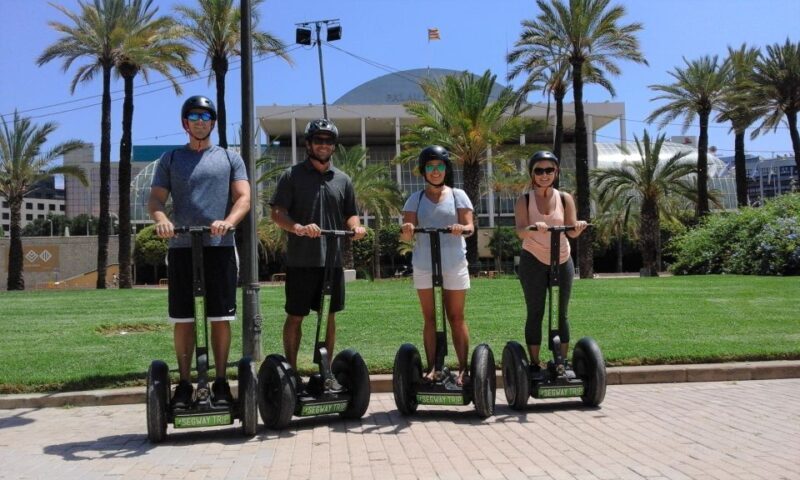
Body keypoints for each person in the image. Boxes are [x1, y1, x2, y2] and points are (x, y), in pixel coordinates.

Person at [148, 95, 250, 408]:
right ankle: (183, 383)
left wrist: (229, 221)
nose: (200, 122)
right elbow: (155, 201)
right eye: (194, 117)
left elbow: (243, 198)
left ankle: (220, 381)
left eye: (206, 117)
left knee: (220, 317)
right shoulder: (171, 159)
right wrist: (163, 220)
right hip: (181, 247)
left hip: (218, 247)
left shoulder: (230, 159)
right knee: (184, 319)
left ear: (213, 123)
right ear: (184, 123)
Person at [269, 118, 366, 387]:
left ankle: (325, 372)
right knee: (296, 315)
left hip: (332, 261)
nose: (323, 145)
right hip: (302, 260)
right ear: (308, 144)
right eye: (318, 140)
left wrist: (356, 228)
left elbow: (351, 214)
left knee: (329, 316)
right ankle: (291, 372)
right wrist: (297, 227)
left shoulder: (343, 180)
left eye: (328, 141)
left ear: (333, 146)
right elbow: (277, 213)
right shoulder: (292, 176)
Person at [400, 145, 474, 386]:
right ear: (423, 171)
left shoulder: (458, 196)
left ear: (446, 169)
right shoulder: (415, 198)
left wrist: (460, 228)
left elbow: (470, 227)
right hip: (424, 264)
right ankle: (433, 367)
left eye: (439, 166)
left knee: (456, 316)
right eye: (430, 167)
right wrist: (408, 230)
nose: (435, 171)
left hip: (453, 263)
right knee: (430, 318)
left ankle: (463, 369)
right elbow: (405, 235)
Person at [514, 150, 587, 371]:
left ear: (556, 172)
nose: (544, 175)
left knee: (560, 311)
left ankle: (560, 362)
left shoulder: (565, 198)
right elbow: (520, 232)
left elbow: (571, 232)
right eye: (539, 170)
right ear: (532, 173)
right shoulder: (524, 200)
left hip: (562, 258)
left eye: (549, 170)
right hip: (533, 259)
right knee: (535, 311)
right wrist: (533, 228)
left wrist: (579, 228)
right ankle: (535, 363)